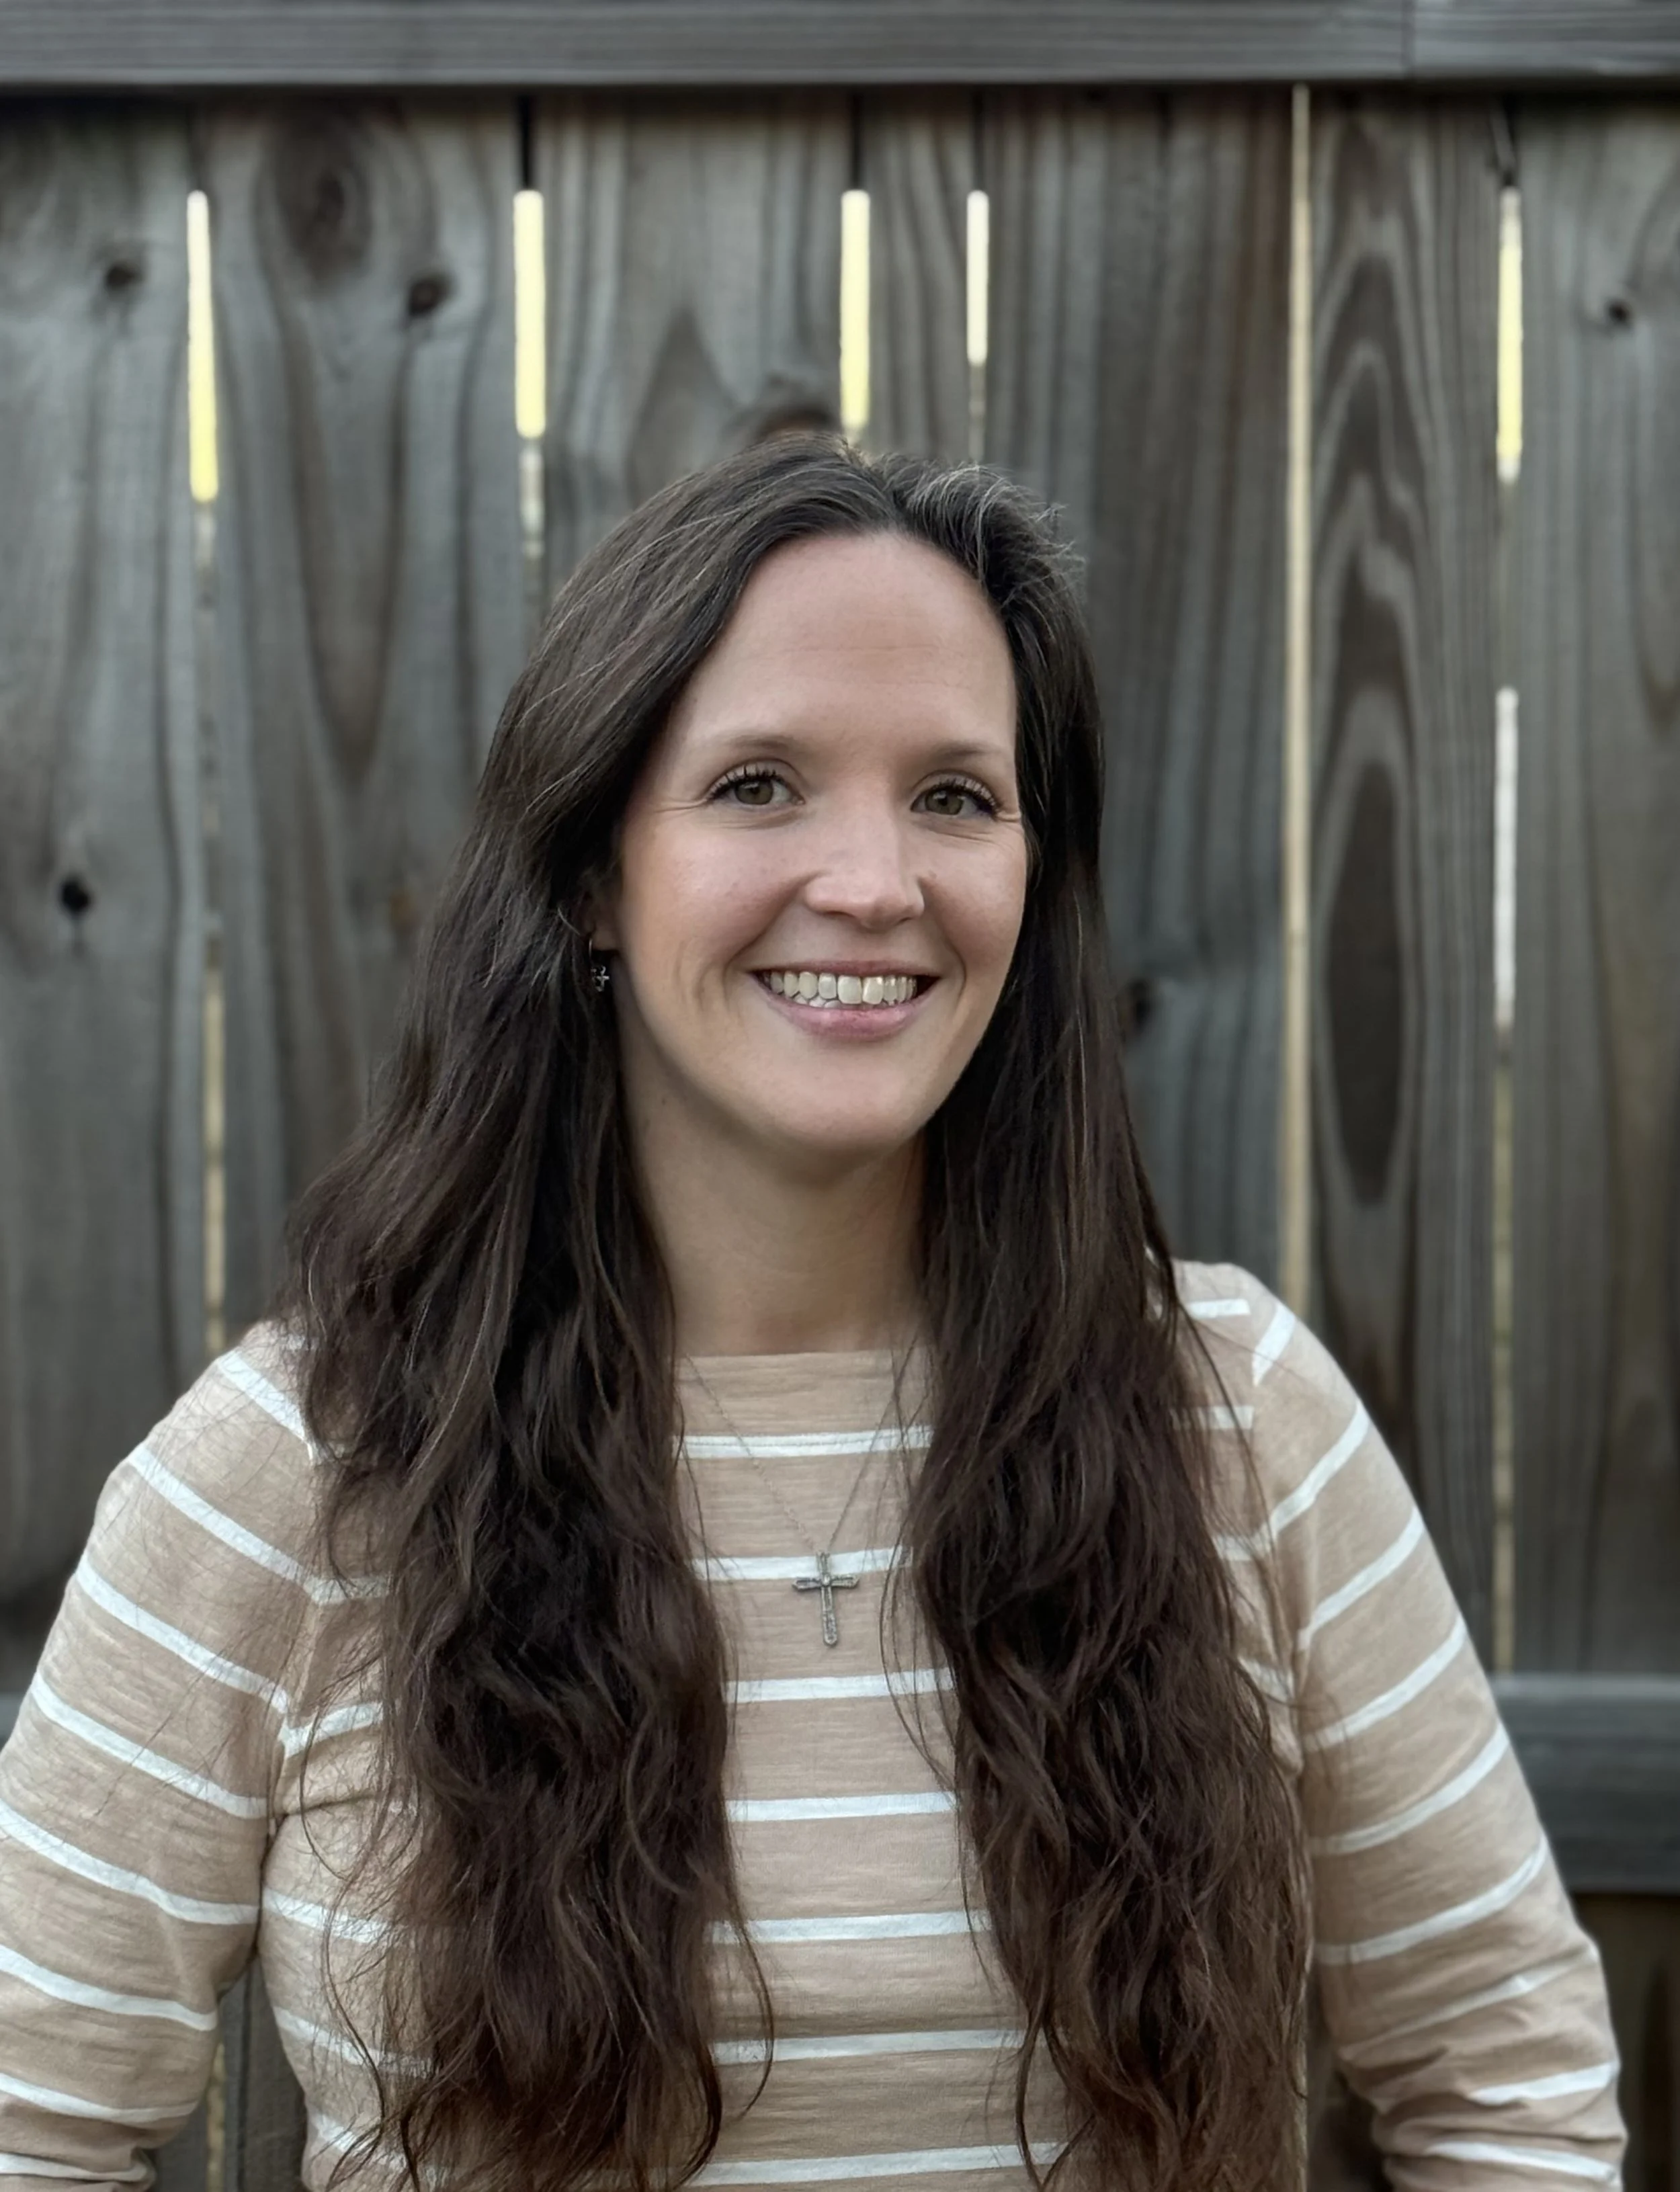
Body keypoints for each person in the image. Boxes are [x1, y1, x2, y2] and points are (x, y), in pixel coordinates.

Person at [0, 439, 1622, 2192]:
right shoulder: (301, 1462)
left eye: (954, 795)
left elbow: (1502, 2075)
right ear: (587, 878)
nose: (872, 880)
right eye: (761, 782)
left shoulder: (1238, 1420)